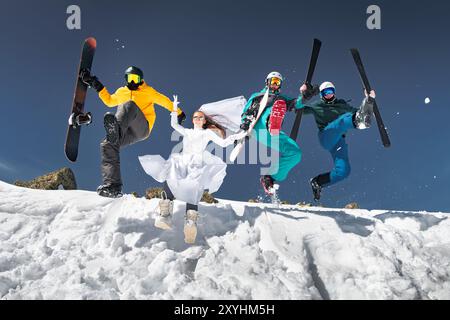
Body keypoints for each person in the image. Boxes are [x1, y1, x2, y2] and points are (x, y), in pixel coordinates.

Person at [138, 96, 245, 244]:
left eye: (200, 117)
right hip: (183, 159)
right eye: (195, 117)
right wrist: (174, 108)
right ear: (193, 120)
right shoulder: (187, 131)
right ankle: (165, 213)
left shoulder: (207, 133)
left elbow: (223, 142)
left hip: (197, 163)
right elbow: (174, 124)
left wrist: (237, 136)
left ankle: (190, 222)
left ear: (204, 120)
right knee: (171, 175)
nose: (197, 119)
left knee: (193, 188)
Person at [81, 66, 186, 198]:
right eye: (129, 78)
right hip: (125, 129)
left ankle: (115, 131)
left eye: (135, 79)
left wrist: (179, 112)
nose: (132, 82)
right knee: (107, 144)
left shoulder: (148, 91)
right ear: (126, 79)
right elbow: (109, 101)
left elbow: (164, 101)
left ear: (141, 80)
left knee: (129, 105)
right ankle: (113, 186)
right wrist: (94, 83)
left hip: (142, 128)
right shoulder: (122, 91)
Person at [240, 71, 315, 195]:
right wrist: (245, 124)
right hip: (259, 126)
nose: (275, 84)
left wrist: (305, 96)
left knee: (295, 153)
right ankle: (271, 120)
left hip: (274, 132)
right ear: (267, 82)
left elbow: (296, 103)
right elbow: (247, 110)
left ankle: (269, 177)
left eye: (277, 82)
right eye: (273, 81)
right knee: (277, 105)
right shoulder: (257, 95)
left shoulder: (283, 98)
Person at [301, 81, 376, 201]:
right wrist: (303, 95)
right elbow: (298, 109)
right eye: (326, 92)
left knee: (344, 171)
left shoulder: (342, 105)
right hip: (326, 136)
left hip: (339, 141)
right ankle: (356, 122)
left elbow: (360, 112)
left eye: (331, 92)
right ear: (321, 94)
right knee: (343, 120)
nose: (329, 95)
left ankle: (318, 182)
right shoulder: (316, 106)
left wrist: (368, 100)